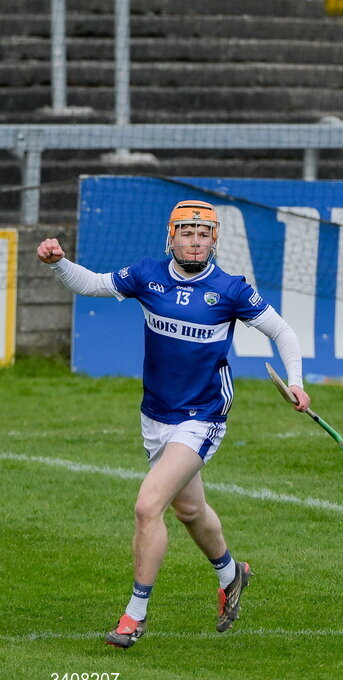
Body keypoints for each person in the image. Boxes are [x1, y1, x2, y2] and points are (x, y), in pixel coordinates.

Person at [38, 200, 310, 648]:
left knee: (149, 506)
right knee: (189, 510)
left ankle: (135, 616)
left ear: (214, 241)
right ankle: (232, 575)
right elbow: (93, 284)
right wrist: (59, 263)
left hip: (203, 414)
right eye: (186, 233)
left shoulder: (230, 290)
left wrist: (296, 382)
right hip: (156, 414)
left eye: (203, 235)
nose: (195, 241)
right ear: (172, 236)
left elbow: (283, 333)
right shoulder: (148, 275)